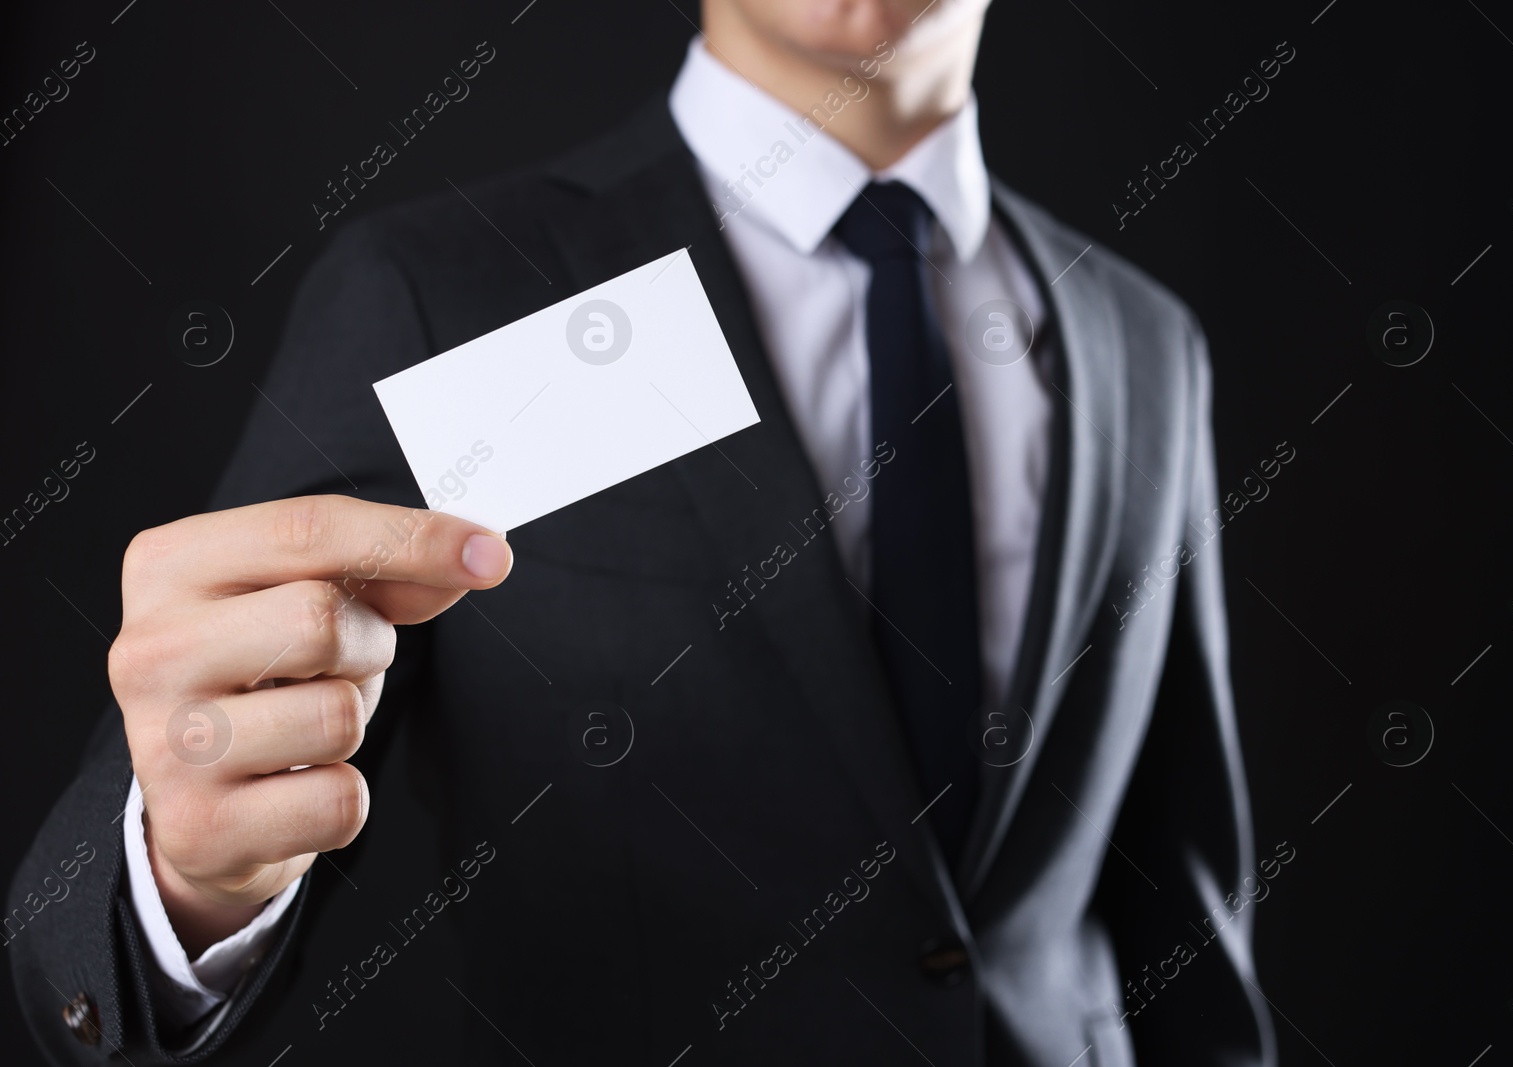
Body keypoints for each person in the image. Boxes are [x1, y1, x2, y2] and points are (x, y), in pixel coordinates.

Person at [9, 1, 1275, 1063]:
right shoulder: (453, 291)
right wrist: (181, 871)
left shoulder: (1143, 343)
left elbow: (1180, 908)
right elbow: (222, 733)